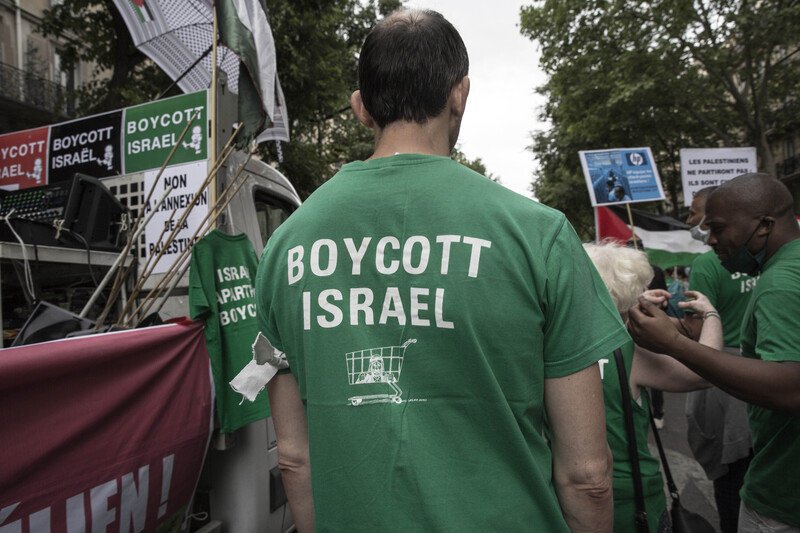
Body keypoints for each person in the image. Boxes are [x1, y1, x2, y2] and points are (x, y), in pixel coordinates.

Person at [256, 9, 629, 532]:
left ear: (361, 108)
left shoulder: (285, 247)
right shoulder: (538, 234)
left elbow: (294, 457)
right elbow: (587, 473)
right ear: (460, 94)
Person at [629, 173, 800, 531]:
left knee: (727, 473)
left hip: (783, 497)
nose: (711, 240)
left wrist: (673, 343)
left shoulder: (779, 284)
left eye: (719, 228)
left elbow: (789, 387)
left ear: (764, 225)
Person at [584, 241, 723, 533]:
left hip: (562, 494)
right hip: (630, 499)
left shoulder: (548, 344)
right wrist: (711, 316)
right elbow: (705, 373)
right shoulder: (627, 351)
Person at [684, 186, 754, 533]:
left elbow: (697, 329)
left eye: (695, 213)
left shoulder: (707, 264)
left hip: (723, 378)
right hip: (771, 372)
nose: (690, 221)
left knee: (728, 475)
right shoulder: (762, 259)